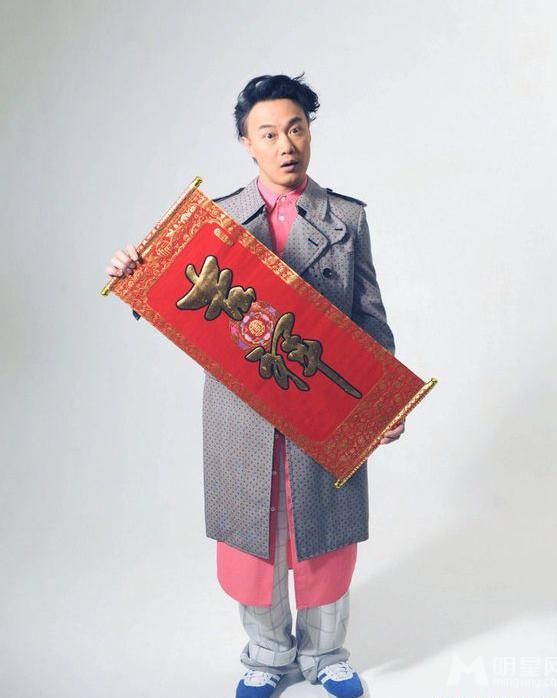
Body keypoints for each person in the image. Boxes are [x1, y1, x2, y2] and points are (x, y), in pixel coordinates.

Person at [105, 73, 405, 698]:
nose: (285, 144)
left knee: (324, 533)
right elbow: (170, 294)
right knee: (255, 536)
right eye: (268, 134)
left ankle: (327, 655)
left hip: (321, 404)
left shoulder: (346, 218)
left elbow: (369, 318)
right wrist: (135, 272)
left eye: (296, 128)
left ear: (310, 132)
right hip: (241, 412)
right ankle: (267, 656)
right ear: (246, 143)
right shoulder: (213, 222)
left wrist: (384, 400)